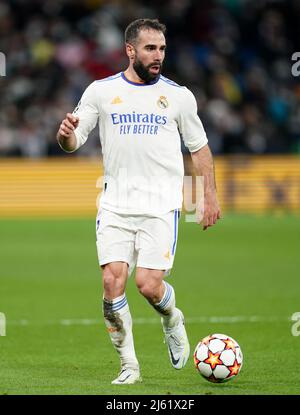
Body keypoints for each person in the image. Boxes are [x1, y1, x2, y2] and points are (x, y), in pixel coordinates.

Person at [56, 18, 221, 385]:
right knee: (112, 284)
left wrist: (209, 195)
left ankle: (172, 318)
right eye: (150, 48)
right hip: (115, 205)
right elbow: (73, 141)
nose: (158, 55)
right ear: (130, 51)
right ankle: (129, 365)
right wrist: (66, 134)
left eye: (162, 48)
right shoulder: (100, 91)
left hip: (160, 206)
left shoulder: (178, 96)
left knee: (148, 284)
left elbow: (200, 147)